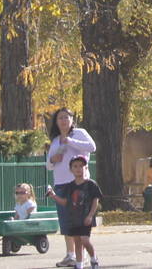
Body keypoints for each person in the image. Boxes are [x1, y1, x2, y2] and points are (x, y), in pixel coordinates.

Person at [43, 107, 97, 268]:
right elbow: (48, 166)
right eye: (60, 118)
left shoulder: (79, 133)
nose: (64, 120)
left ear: (72, 120)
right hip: (61, 185)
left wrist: (70, 141)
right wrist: (53, 158)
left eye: (67, 117)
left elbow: (92, 147)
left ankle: (84, 256)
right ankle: (70, 255)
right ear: (56, 122)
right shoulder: (55, 140)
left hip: (79, 185)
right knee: (66, 223)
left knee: (79, 222)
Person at [52, 157, 101, 269]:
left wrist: (90, 215)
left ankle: (93, 258)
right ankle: (79, 265)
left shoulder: (91, 184)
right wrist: (53, 196)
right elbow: (65, 202)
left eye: (81, 166)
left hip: (85, 218)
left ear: (86, 168)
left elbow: (95, 200)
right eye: (75, 166)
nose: (78, 168)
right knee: (77, 243)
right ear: (71, 169)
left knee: (85, 240)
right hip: (73, 219)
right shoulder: (69, 186)